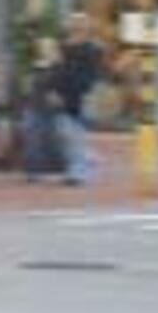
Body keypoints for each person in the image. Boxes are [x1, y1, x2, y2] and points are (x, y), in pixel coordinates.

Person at [51, 12, 104, 188]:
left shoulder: (94, 48)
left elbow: (95, 74)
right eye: (74, 24)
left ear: (88, 27)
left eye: (81, 24)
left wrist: (92, 93)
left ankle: (77, 174)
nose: (77, 27)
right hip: (65, 93)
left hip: (82, 94)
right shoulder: (63, 47)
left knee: (77, 135)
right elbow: (57, 70)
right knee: (64, 133)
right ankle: (88, 159)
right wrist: (54, 90)